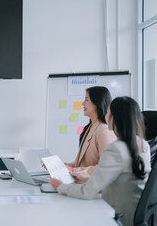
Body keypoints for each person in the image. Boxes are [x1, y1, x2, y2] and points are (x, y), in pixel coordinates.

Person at [50, 96, 151, 226]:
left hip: (119, 217)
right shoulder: (143, 144)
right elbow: (124, 180)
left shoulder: (115, 149)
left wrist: (60, 186)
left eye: (108, 112)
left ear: (114, 117)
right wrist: (88, 180)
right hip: (137, 213)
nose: (105, 115)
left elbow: (87, 192)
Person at [65, 86, 116, 175]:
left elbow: (107, 167)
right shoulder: (90, 127)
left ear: (97, 103)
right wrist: (62, 166)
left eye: (86, 99)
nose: (82, 103)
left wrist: (74, 171)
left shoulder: (104, 130)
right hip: (84, 183)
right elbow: (82, 164)